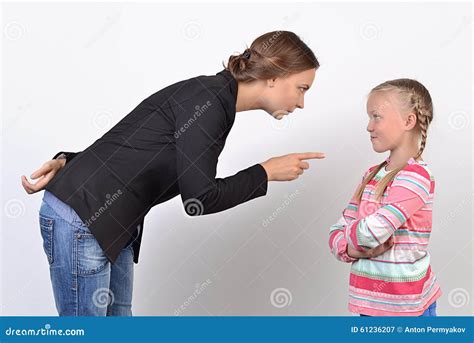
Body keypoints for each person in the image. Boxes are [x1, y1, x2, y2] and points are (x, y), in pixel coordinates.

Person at [22, 31, 325, 316]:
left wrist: (68, 161)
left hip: (112, 223)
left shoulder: (213, 98)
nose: (301, 102)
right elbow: (200, 198)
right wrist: (265, 172)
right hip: (83, 218)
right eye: (302, 88)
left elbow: (135, 144)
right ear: (274, 76)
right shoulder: (209, 101)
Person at [328, 78, 441, 316]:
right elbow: (336, 232)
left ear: (409, 121)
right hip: (370, 305)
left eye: (376, 116)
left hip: (407, 309)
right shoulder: (371, 175)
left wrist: (351, 242)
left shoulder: (416, 176)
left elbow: (373, 232)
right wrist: (354, 248)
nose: (369, 126)